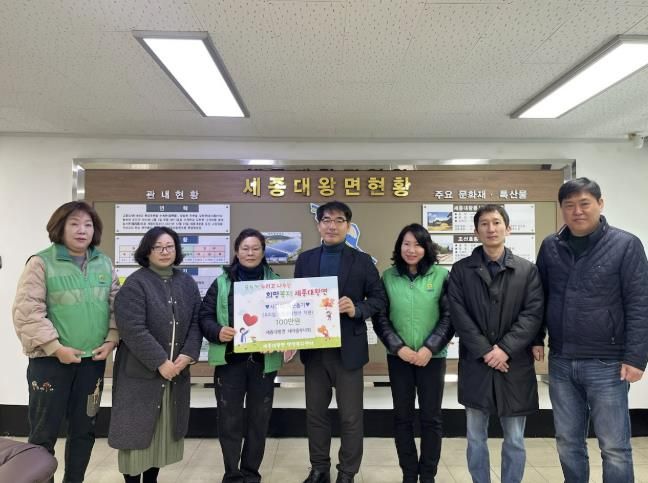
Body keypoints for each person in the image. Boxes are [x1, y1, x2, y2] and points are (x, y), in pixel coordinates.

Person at [536, 177, 648, 483]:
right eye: (569, 205)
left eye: (584, 203)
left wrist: (636, 357)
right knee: (567, 442)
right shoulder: (551, 247)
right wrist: (536, 338)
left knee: (614, 446)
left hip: (608, 363)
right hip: (561, 361)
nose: (577, 211)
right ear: (562, 209)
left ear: (600, 203)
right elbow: (540, 297)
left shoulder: (626, 245)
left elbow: (640, 303)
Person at [12, 200, 119, 483]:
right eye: (74, 224)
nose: (82, 230)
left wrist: (112, 338)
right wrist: (55, 348)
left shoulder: (104, 262)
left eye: (88, 224)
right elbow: (27, 312)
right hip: (50, 363)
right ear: (60, 227)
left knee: (84, 431)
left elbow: (116, 305)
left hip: (91, 362)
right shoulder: (41, 263)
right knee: (43, 433)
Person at [448, 204, 544, 483]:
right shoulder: (461, 270)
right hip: (476, 363)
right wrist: (487, 351)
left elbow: (532, 314)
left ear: (508, 228)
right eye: (484, 224)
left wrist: (504, 350)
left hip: (514, 364)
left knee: (514, 438)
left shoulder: (527, 271)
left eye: (497, 222)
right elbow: (459, 314)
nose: (491, 229)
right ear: (476, 231)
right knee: (475, 436)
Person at [295, 201, 386, 483]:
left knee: (350, 416)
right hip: (314, 350)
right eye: (326, 220)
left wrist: (356, 308)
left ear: (348, 226)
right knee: (315, 414)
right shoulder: (305, 260)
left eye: (338, 220)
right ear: (318, 224)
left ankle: (347, 472)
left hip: (349, 350)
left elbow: (379, 299)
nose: (332, 226)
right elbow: (296, 301)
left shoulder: (363, 261)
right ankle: (319, 468)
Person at [108, 227, 202, 483]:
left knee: (161, 438)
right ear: (146, 251)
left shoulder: (186, 283)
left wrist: (187, 356)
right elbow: (132, 328)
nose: (164, 251)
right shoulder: (136, 283)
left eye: (169, 246)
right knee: (135, 436)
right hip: (140, 376)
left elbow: (196, 323)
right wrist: (160, 362)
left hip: (175, 374)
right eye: (157, 247)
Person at [199, 228, 283, 483]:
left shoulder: (277, 282)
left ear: (263, 252)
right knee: (229, 420)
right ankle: (232, 474)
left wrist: (277, 339)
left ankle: (251, 472)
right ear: (236, 251)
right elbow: (205, 317)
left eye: (256, 248)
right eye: (245, 248)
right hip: (230, 362)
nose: (250, 253)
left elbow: (287, 320)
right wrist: (217, 331)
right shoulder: (222, 282)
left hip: (263, 363)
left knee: (259, 420)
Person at [373, 223, 454, 483]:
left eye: (418, 244)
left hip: (433, 358)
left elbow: (449, 317)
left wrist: (430, 348)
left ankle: (428, 475)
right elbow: (381, 319)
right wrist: (399, 348)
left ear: (426, 248)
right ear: (399, 247)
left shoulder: (441, 276)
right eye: (406, 244)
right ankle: (409, 474)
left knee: (431, 419)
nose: (411, 249)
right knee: (402, 418)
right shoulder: (388, 277)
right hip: (399, 359)